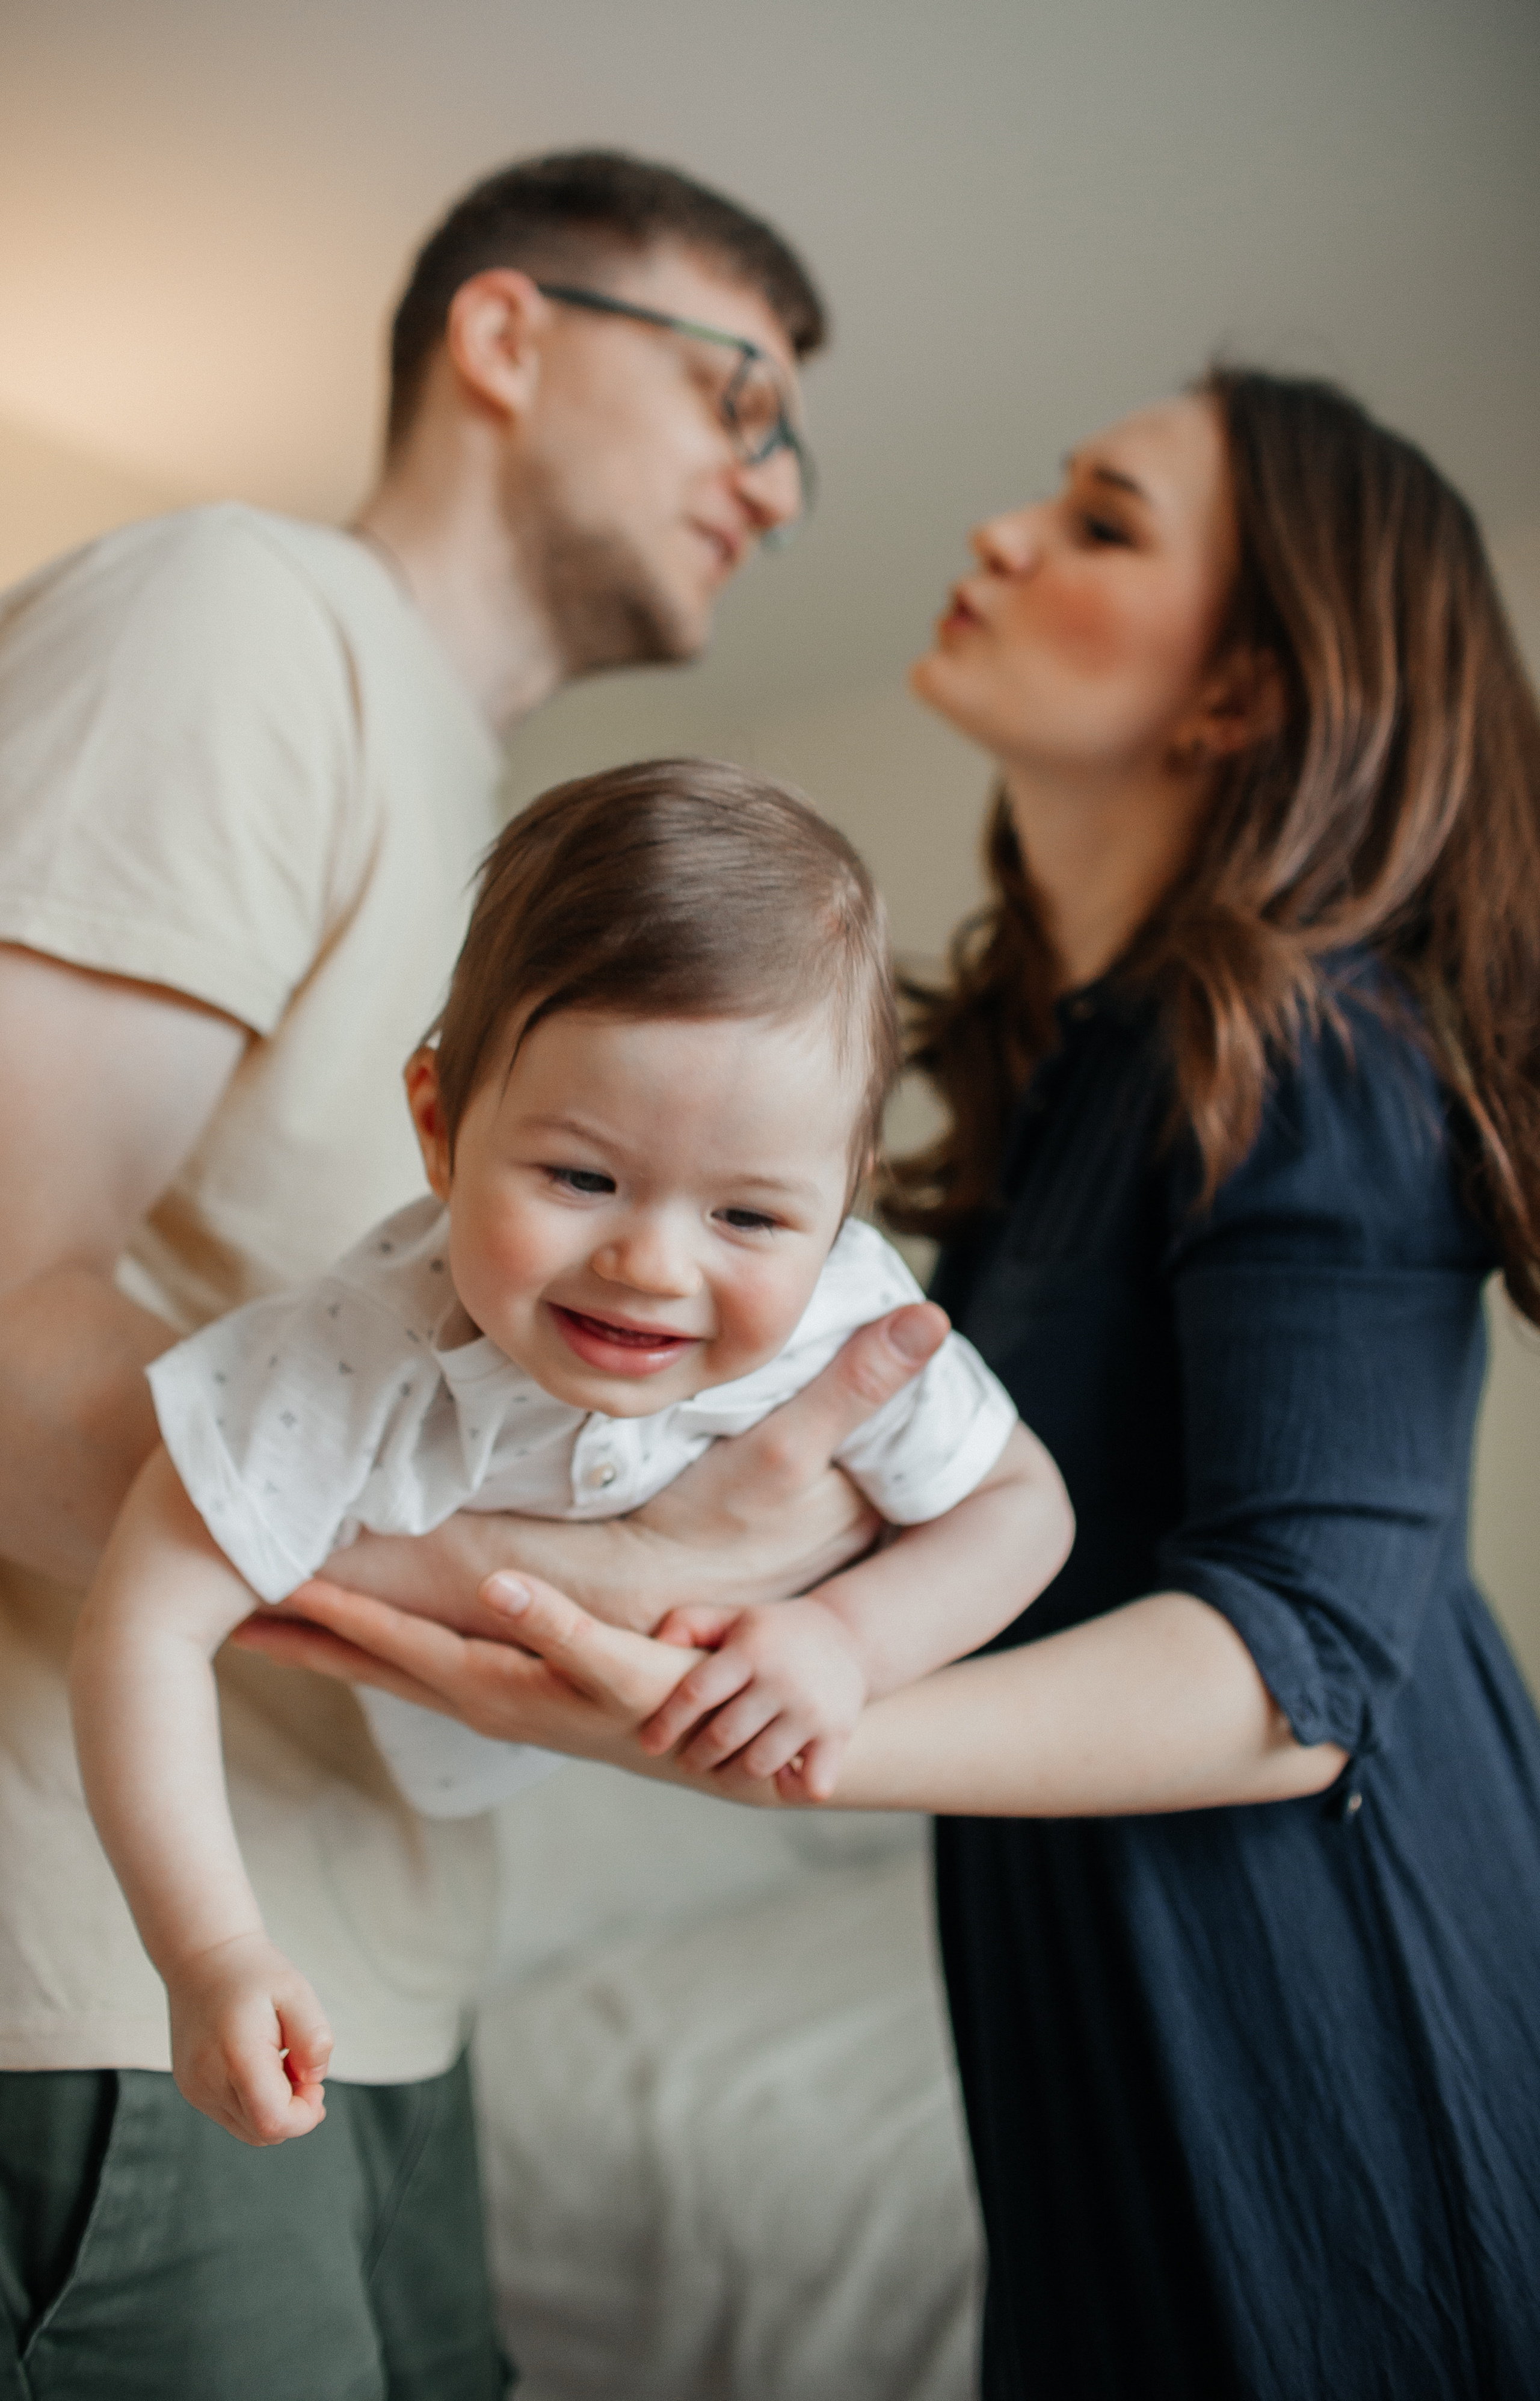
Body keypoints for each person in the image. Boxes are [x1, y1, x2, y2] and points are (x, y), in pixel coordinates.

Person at [251, 368, 1540, 2399]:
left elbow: (1306, 1664)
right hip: (1068, 1939)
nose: (1002, 535)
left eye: (1103, 521)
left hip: (1308, 1961)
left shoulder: (1324, 1049)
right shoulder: (1072, 1069)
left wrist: (785, 1731)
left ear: (1241, 695)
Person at [0, 148, 937, 2401]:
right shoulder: (242, 620)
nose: (778, 481)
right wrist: (569, 1571)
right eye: (738, 389)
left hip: (387, 1977)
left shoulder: (505, 838)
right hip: (109, 1964)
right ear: (506, 337)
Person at [71, 759, 1070, 2149]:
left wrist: (848, 1638)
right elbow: (144, 1623)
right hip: (422, 1789)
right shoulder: (355, 1348)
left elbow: (1026, 1508)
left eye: (749, 1216)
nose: (651, 1264)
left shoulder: (849, 1316)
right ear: (437, 1123)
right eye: (581, 1178)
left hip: (698, 1758)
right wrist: (211, 1950)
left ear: (841, 1204)